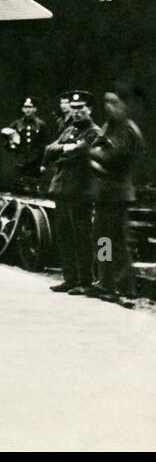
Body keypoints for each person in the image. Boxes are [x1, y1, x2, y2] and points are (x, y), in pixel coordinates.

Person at [43, 90, 102, 295]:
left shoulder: (94, 132)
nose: (76, 112)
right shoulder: (69, 131)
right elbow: (49, 151)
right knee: (65, 236)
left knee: (81, 236)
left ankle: (85, 281)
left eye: (81, 108)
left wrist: (63, 150)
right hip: (62, 190)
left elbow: (82, 153)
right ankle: (70, 279)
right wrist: (65, 149)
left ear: (90, 109)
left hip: (80, 191)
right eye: (74, 108)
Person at [87, 92, 143, 307]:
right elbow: (99, 147)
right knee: (102, 239)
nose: (109, 107)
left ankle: (124, 287)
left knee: (116, 241)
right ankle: (105, 282)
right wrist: (97, 149)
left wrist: (93, 152)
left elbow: (113, 157)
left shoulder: (127, 129)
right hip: (104, 193)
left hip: (117, 195)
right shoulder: (109, 126)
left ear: (124, 106)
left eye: (113, 103)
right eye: (106, 103)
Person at [1, 96, 49, 184]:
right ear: (22, 109)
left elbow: (45, 145)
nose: (28, 110)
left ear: (35, 109)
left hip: (35, 163)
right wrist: (11, 144)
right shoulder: (17, 124)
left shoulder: (41, 125)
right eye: (26, 107)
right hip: (20, 162)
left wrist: (43, 164)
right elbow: (8, 143)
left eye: (30, 107)